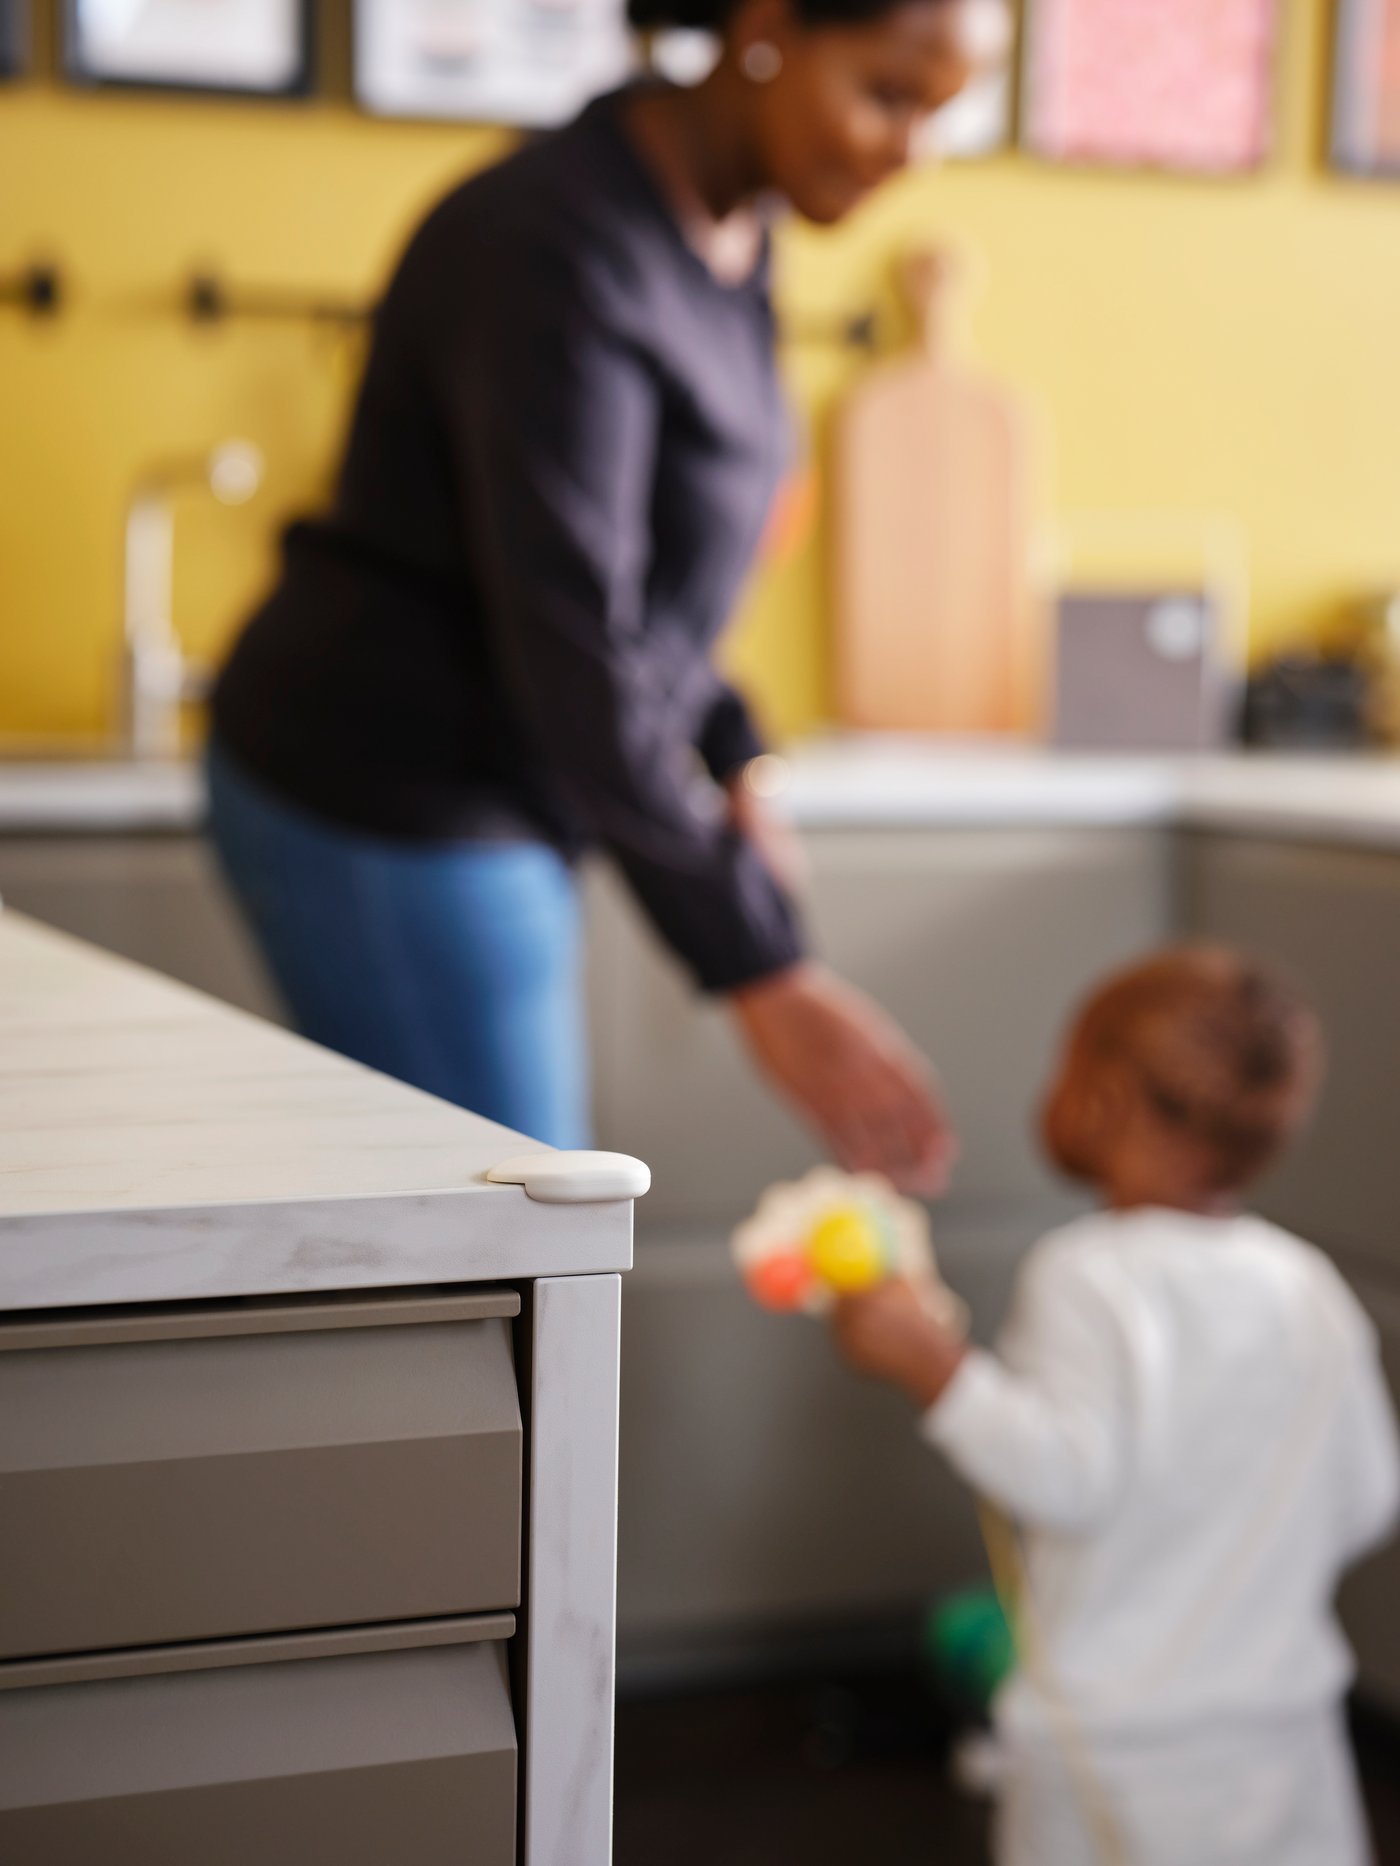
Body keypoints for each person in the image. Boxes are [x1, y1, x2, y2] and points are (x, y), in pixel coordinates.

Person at [206, 0, 988, 1175]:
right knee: (527, 1244)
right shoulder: (553, 245)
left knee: (513, 1257)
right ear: (766, 28)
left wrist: (737, 761)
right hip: (387, 788)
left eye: (938, 113)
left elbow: (660, 595)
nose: (908, 153)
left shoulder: (731, 233)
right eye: (883, 95)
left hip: (509, 791)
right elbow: (570, 633)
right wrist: (759, 968)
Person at [832, 946, 1400, 1866]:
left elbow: (1063, 1480)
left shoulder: (1089, 1274)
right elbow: (1368, 1493)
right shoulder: (1309, 1285)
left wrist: (933, 1367)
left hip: (1116, 1750)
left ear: (1107, 1097)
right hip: (1285, 1734)